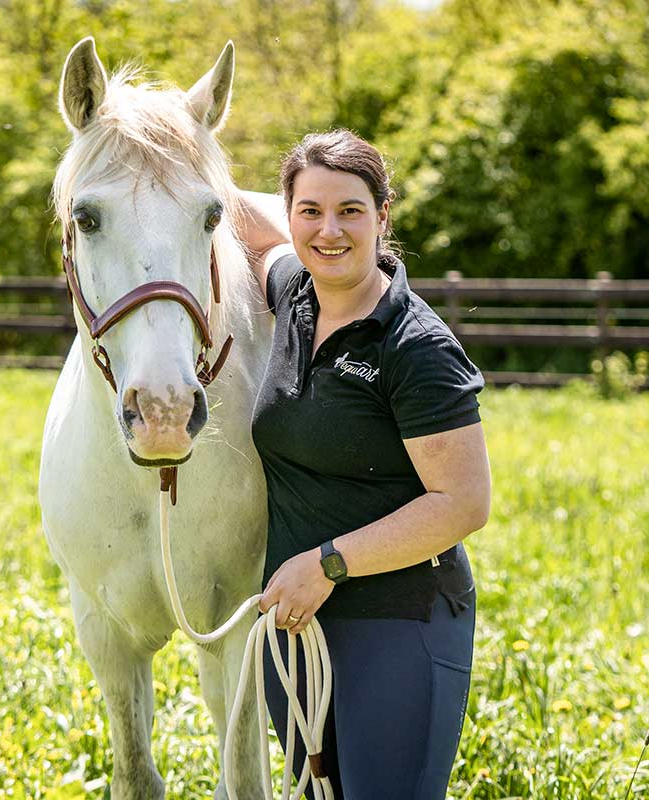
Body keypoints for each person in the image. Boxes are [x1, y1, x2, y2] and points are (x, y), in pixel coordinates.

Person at [236, 129, 491, 799]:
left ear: (383, 216)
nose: (329, 230)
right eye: (309, 211)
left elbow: (463, 503)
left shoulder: (417, 348)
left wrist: (328, 562)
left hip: (396, 624)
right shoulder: (292, 289)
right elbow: (238, 216)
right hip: (293, 625)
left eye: (350, 210)